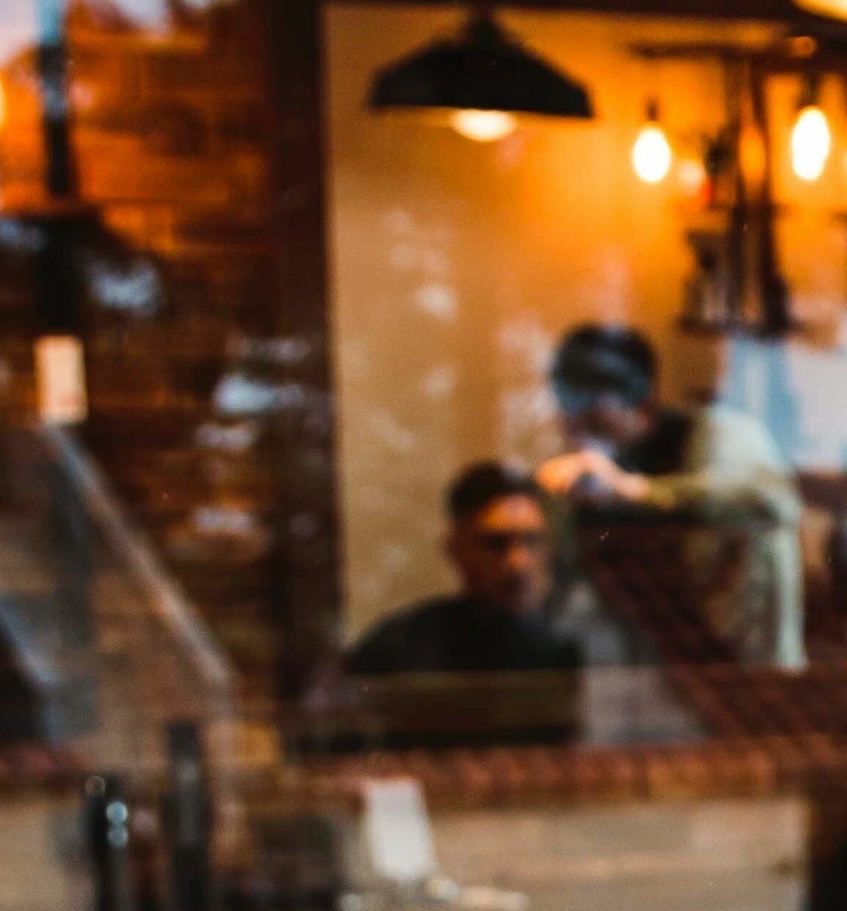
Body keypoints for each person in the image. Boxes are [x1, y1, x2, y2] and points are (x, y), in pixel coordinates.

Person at [536, 321, 806, 671]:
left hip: (749, 668)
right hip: (664, 676)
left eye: (598, 424)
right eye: (574, 425)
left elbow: (772, 503)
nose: (586, 441)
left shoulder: (719, 433)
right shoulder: (602, 474)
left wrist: (635, 491)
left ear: (645, 406)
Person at [323, 458, 586, 750]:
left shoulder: (564, 648)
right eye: (495, 544)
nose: (518, 563)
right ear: (456, 548)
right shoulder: (399, 649)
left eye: (531, 541)